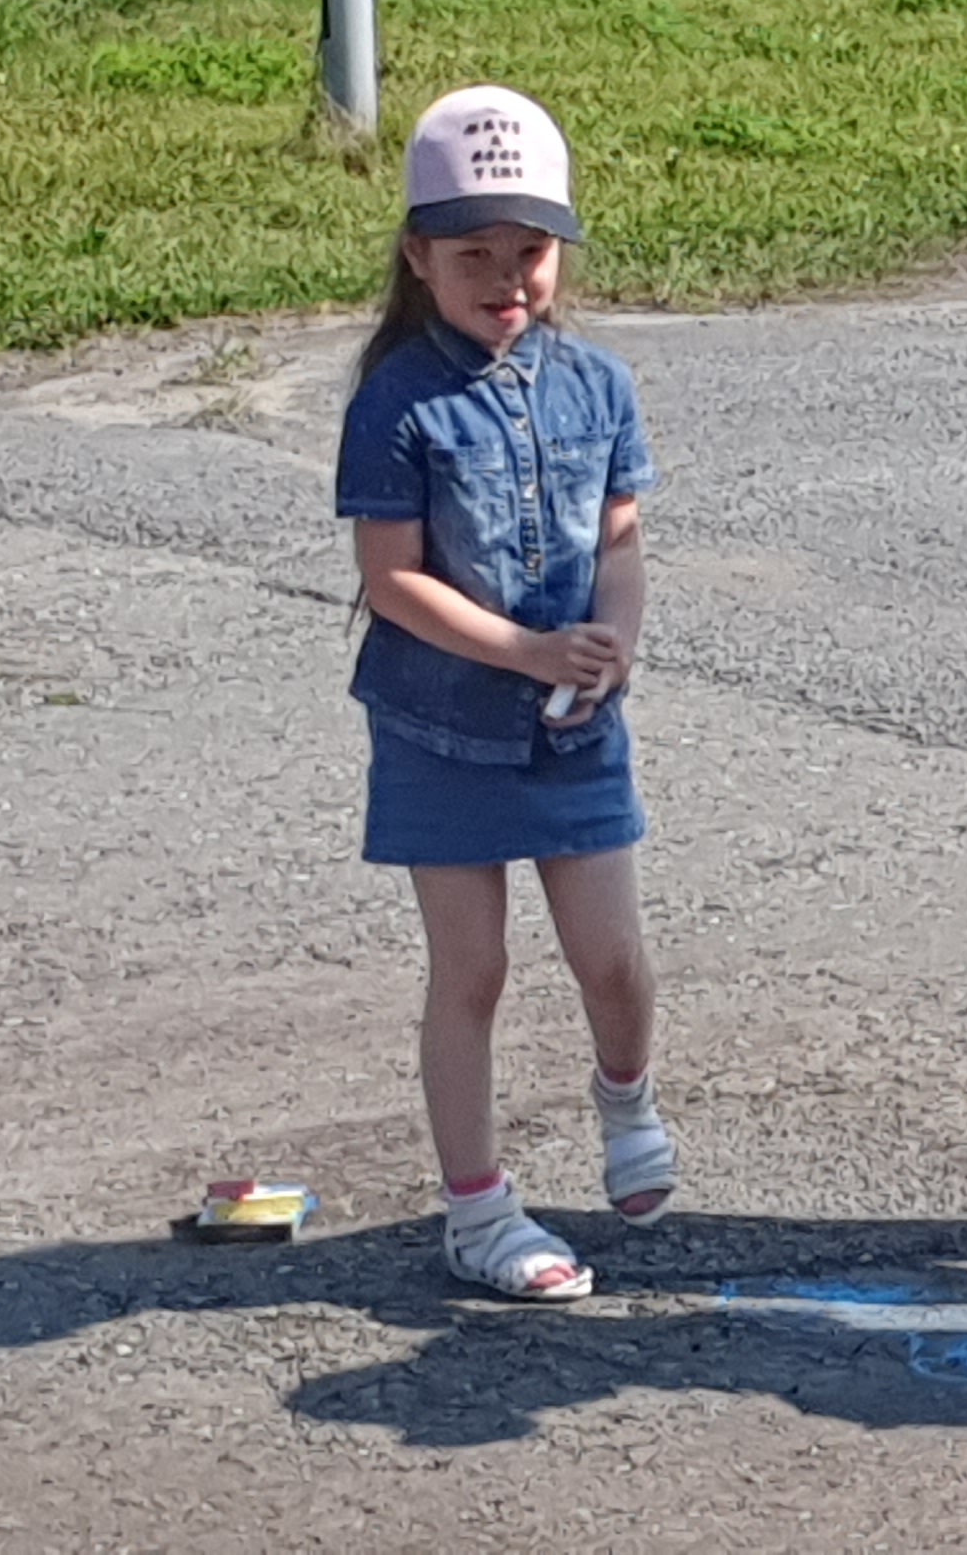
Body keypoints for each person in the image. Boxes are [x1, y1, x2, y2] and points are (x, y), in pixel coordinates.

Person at [336, 85, 676, 1303]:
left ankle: (626, 1098)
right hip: (440, 730)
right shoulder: (397, 401)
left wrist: (613, 640)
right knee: (471, 969)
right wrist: (528, 653)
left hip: (574, 734)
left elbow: (620, 540)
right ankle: (478, 1212)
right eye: (472, 253)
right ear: (418, 257)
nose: (506, 278)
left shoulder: (599, 385)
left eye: (528, 251)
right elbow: (393, 581)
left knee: (613, 961)